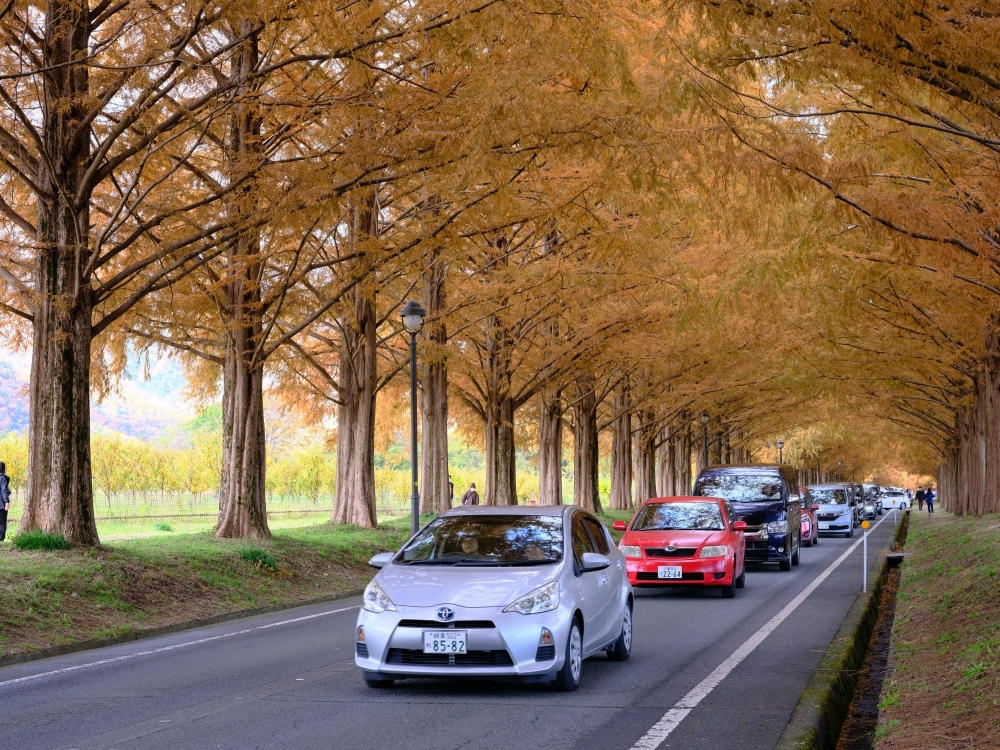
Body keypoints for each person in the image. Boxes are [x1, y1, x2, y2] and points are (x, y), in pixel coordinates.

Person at [0, 461, 10, 542]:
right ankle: (1, 539)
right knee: (2, 522)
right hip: (1, 503)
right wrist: (7, 501)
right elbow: (4, 490)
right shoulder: (2, 478)